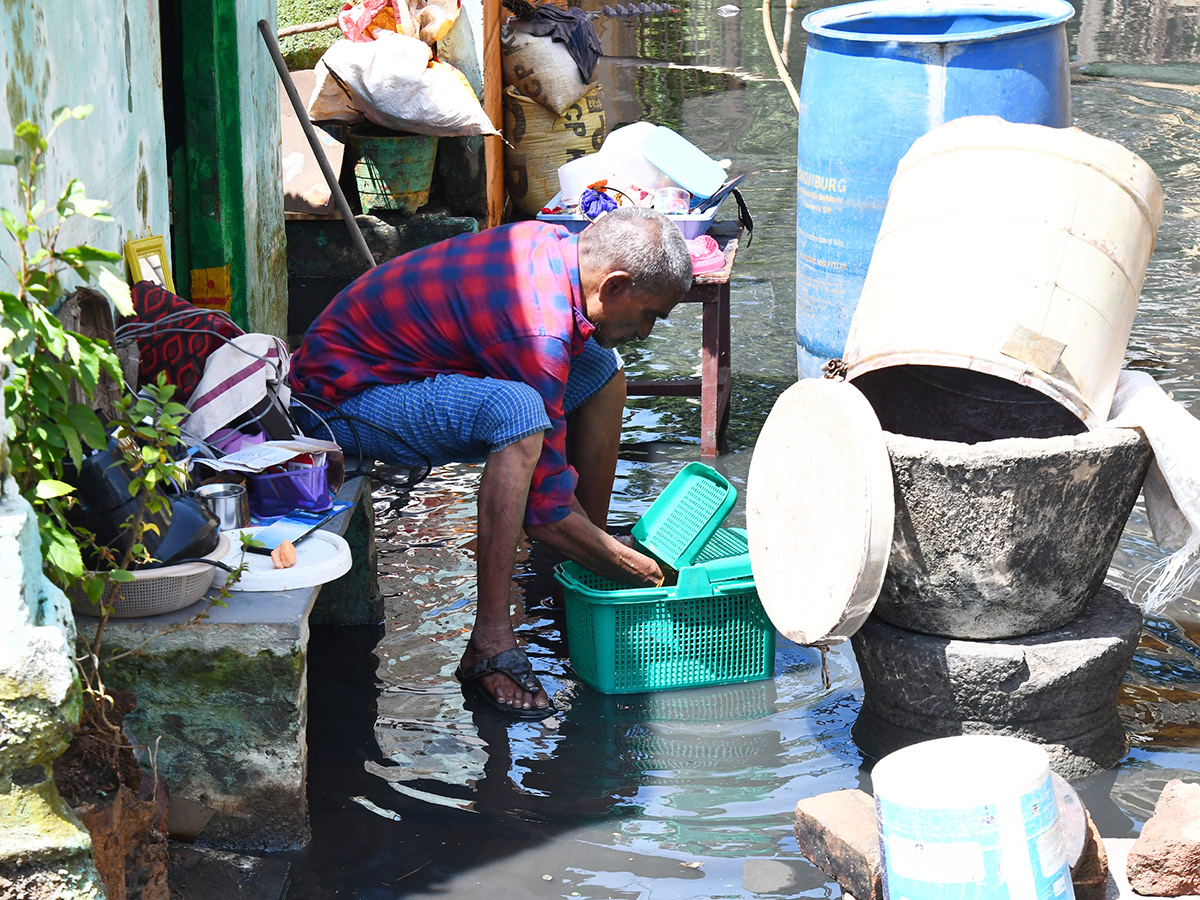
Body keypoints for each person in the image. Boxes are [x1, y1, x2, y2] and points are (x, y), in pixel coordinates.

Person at [288, 207, 693, 719]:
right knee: (520, 415)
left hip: (380, 369)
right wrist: (651, 576)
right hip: (339, 407)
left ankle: (581, 568)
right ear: (612, 287)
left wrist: (602, 549)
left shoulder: (553, 246)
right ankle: (490, 642)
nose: (648, 332)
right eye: (651, 314)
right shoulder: (540, 334)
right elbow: (540, 511)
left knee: (603, 368)